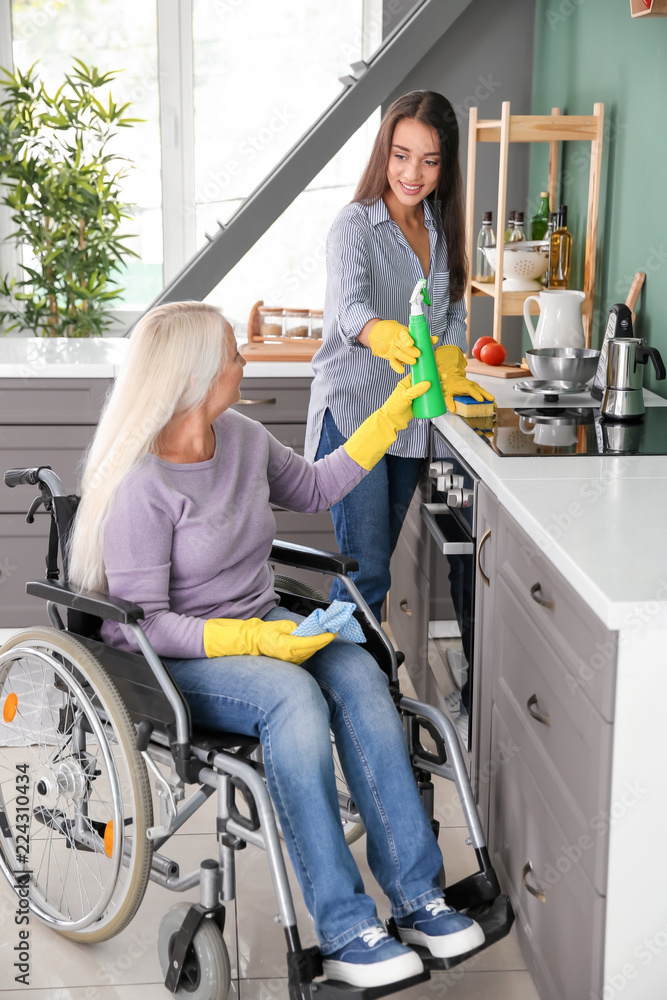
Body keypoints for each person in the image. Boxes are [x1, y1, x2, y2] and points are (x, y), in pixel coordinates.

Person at [68, 301, 484, 990]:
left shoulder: (242, 437)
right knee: (292, 697)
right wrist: (253, 638)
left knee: (358, 672)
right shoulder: (142, 485)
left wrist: (392, 414)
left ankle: (416, 898)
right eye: (232, 354)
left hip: (262, 626)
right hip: (173, 661)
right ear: (196, 376)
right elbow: (146, 622)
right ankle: (347, 929)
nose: (242, 362)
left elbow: (318, 486)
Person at [305, 90, 493, 623]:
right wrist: (380, 333)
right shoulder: (355, 225)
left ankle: (365, 680)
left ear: (444, 164)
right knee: (365, 572)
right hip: (354, 414)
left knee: (375, 566)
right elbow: (349, 310)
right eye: (402, 155)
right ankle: (353, 693)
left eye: (429, 160)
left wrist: (452, 363)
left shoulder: (439, 225)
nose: (413, 173)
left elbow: (453, 313)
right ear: (384, 153)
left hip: (409, 420)